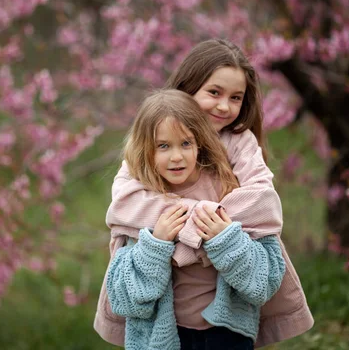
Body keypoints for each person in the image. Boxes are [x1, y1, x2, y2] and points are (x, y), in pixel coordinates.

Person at [94, 39, 314, 348]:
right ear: (187, 88)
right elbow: (126, 204)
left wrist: (203, 238)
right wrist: (190, 226)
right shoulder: (149, 146)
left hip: (227, 327)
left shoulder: (238, 143)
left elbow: (262, 203)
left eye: (236, 97)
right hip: (165, 328)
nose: (224, 106)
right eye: (214, 92)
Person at [106, 89, 286, 349]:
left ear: (199, 142)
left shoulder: (227, 190)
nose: (177, 156)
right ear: (146, 149)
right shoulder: (142, 199)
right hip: (163, 336)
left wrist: (226, 240)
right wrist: (156, 245)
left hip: (227, 334)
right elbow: (126, 298)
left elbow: (263, 283)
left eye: (186, 143)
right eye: (163, 146)